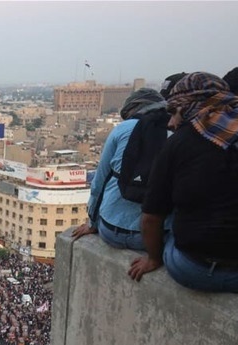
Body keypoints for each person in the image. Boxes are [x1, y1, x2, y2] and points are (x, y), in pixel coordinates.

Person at [129, 72, 238, 297]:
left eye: (174, 112)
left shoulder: (180, 142)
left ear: (186, 107)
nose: (172, 123)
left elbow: (151, 217)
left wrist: (153, 259)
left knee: (171, 220)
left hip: (198, 271)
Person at [72, 88, 171, 250]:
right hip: (156, 237)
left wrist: (92, 222)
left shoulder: (123, 129)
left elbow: (100, 180)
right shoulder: (175, 130)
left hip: (111, 230)